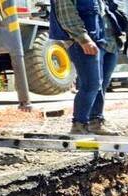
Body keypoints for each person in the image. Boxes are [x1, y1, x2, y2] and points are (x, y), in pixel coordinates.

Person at [88, 0, 128, 136]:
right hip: (93, 43)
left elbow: (122, 16)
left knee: (102, 85)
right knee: (94, 83)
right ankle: (87, 121)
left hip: (112, 45)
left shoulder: (110, 2)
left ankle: (96, 119)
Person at [49, 0, 105, 134]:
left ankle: (93, 124)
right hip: (80, 43)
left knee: (96, 85)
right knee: (90, 84)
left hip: (94, 41)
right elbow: (67, 15)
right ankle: (79, 125)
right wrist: (83, 39)